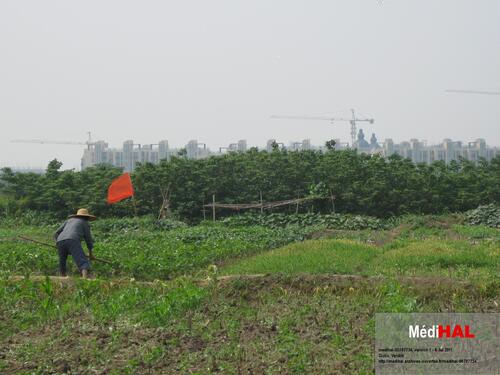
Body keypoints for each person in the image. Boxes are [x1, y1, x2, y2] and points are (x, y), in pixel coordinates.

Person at [54, 208, 96, 278]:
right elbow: (88, 239)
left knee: (62, 259)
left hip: (60, 240)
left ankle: (62, 276)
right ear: (87, 217)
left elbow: (56, 233)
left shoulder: (68, 221)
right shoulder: (84, 223)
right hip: (72, 239)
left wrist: (57, 243)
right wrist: (91, 253)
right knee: (81, 259)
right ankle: (84, 277)